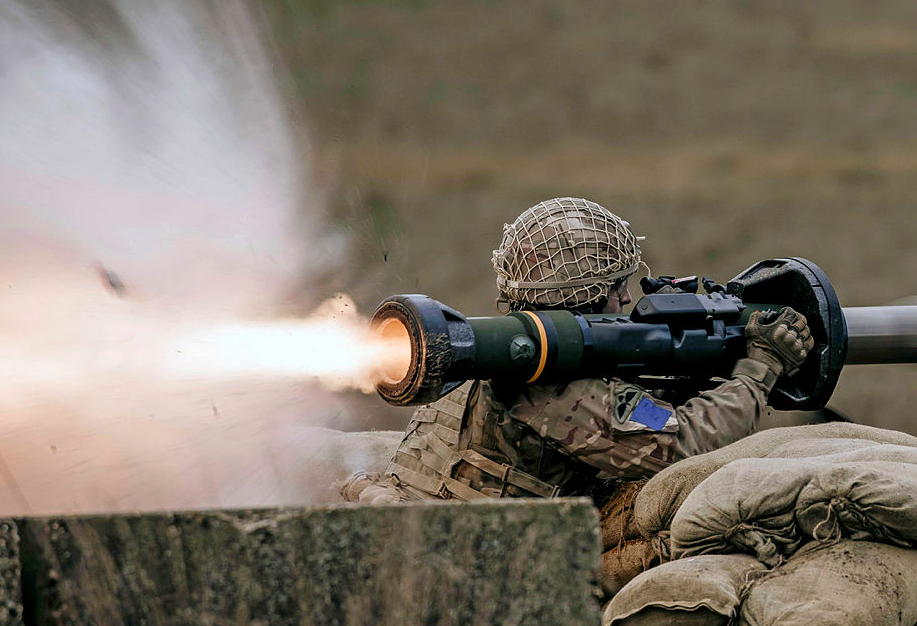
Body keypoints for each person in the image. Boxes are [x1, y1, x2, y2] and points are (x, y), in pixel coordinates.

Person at [344, 197, 813, 505]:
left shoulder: (480, 347)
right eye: (616, 288)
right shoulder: (552, 387)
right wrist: (760, 369)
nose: (628, 300)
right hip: (457, 556)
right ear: (585, 298)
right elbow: (683, 446)